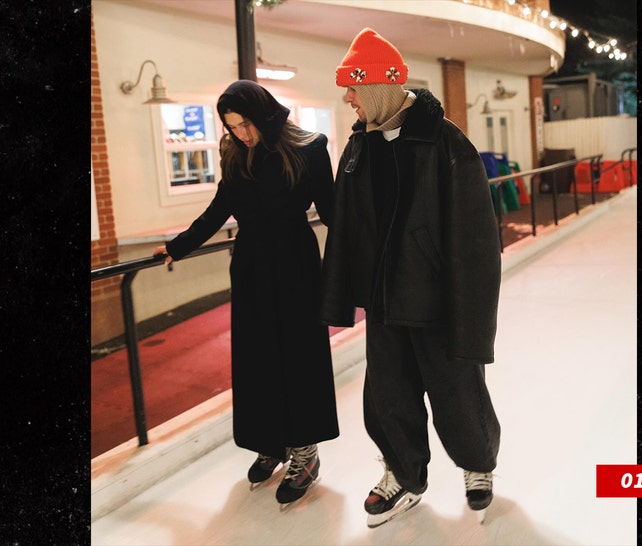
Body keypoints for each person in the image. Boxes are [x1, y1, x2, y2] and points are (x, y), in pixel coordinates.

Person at [320, 28, 502, 527]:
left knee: (458, 393)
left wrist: (473, 315)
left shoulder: (445, 143)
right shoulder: (358, 150)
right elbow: (346, 232)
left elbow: (476, 241)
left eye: (353, 89)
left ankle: (478, 465)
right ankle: (403, 473)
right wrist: (339, 298)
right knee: (388, 397)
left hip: (438, 303)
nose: (348, 99)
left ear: (377, 87)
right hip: (384, 304)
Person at [153, 80, 339, 506]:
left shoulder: (309, 149)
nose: (241, 134)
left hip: (296, 267)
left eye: (245, 124)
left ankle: (306, 452)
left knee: (298, 357)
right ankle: (271, 441)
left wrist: (360, 252)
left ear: (265, 114)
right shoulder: (235, 153)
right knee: (257, 359)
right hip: (252, 267)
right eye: (233, 127)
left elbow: (332, 212)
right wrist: (180, 245)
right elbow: (220, 208)